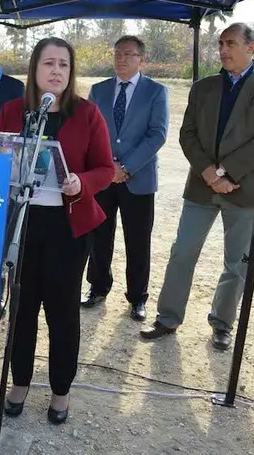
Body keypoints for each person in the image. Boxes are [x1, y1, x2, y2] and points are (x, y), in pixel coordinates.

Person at [141, 22, 254, 350]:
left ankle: (222, 324)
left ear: (251, 48)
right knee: (181, 252)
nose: (223, 49)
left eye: (231, 43)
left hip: (245, 188)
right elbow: (187, 134)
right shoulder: (203, 87)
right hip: (201, 186)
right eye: (221, 43)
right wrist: (209, 173)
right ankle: (168, 317)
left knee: (236, 262)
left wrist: (226, 173)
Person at [0, 37, 113, 424]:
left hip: (68, 226)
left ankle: (61, 390)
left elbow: (106, 169)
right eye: (49, 63)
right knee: (22, 308)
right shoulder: (13, 111)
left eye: (64, 64)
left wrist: (82, 181)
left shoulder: (88, 113)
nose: (56, 71)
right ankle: (20, 383)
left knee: (62, 311)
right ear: (34, 69)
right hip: (24, 225)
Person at [82, 36, 169, 321]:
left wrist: (127, 167)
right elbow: (90, 131)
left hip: (138, 179)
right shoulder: (98, 90)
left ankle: (137, 298)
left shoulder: (156, 92)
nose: (121, 59)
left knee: (138, 239)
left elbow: (157, 134)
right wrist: (109, 166)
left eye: (128, 55)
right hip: (103, 177)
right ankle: (97, 286)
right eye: (117, 54)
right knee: (99, 236)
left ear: (142, 60)